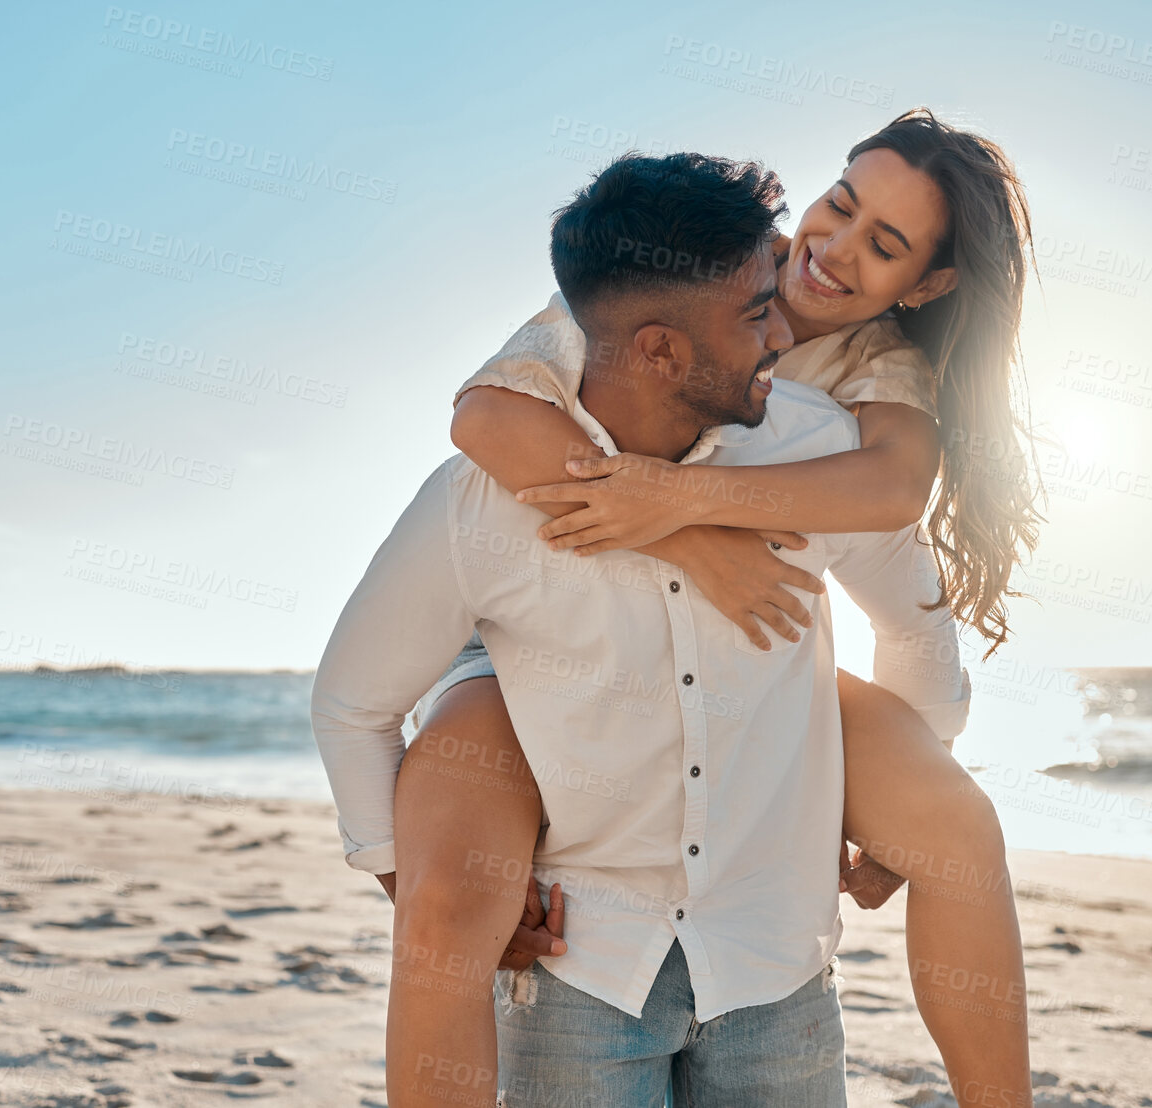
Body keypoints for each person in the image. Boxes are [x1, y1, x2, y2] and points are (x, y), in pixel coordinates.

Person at [313, 149, 997, 1105]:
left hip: (749, 638)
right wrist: (687, 536)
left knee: (956, 826)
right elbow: (482, 418)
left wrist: (685, 507)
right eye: (837, 206)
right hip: (519, 646)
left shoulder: (869, 386)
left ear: (925, 285)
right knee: (445, 904)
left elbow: (890, 501)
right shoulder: (659, 276)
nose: (829, 250)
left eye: (882, 245)